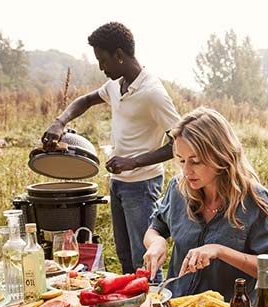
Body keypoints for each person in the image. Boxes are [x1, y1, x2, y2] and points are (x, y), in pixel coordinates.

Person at [41, 22, 180, 280]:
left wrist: (133, 161)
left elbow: (179, 143)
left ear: (119, 54)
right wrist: (60, 122)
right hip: (118, 183)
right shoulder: (117, 84)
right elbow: (85, 100)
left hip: (142, 185)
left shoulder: (153, 93)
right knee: (125, 256)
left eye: (103, 60)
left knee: (145, 258)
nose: (101, 68)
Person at [143, 107, 268, 301]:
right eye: (181, 160)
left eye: (195, 161)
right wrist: (156, 242)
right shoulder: (177, 189)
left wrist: (219, 251)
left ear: (220, 155)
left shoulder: (255, 200)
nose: (186, 171)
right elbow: (154, 229)